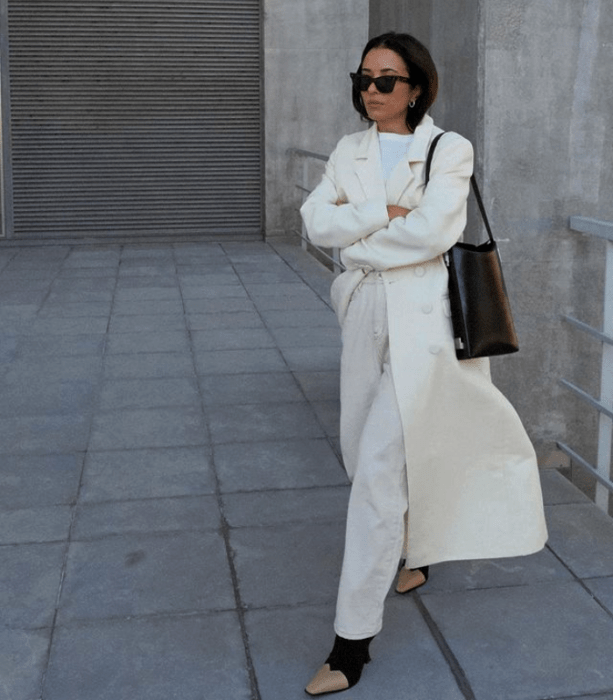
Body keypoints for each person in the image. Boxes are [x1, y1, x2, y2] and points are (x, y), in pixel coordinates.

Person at [300, 32, 548, 696]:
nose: (371, 91)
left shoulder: (447, 147)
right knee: (363, 451)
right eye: (363, 78)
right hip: (361, 316)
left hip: (427, 323)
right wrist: (379, 214)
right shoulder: (348, 149)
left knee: (378, 473)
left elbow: (435, 230)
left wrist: (358, 239)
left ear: (416, 86)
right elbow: (311, 221)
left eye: (387, 79)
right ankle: (417, 551)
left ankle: (351, 644)